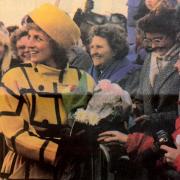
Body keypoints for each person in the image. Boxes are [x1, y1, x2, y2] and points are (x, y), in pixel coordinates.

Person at [0, 3, 95, 179]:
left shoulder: (84, 80)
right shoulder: (15, 77)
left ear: (58, 44)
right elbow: (13, 134)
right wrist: (58, 151)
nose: (29, 44)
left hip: (72, 172)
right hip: (25, 170)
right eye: (29, 36)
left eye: (38, 38)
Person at [130, 8, 180, 135]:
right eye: (149, 40)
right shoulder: (149, 58)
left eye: (158, 40)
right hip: (147, 137)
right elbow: (141, 96)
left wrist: (153, 118)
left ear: (175, 35)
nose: (153, 46)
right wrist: (135, 107)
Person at [88, 23, 141, 92]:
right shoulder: (91, 72)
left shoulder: (131, 76)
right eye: (92, 47)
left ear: (114, 51)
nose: (93, 52)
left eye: (99, 47)